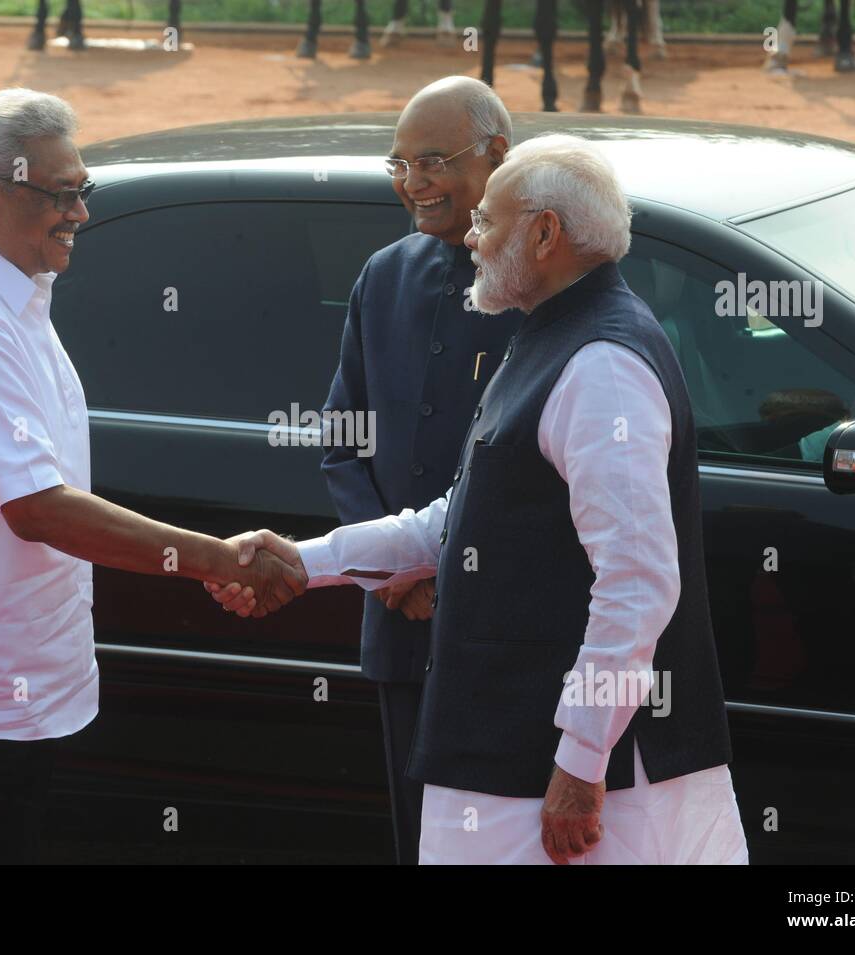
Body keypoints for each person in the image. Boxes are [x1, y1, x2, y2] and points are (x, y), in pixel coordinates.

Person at [212, 134, 748, 865]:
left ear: (546, 233)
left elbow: (638, 579)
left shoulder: (602, 367)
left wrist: (582, 763)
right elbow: (458, 521)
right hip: (511, 760)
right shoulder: (553, 336)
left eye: (488, 221)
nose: (470, 236)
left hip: (574, 787)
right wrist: (308, 562)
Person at [0, 88, 303, 864]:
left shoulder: (3, 289)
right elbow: (39, 508)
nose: (79, 213)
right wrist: (216, 557)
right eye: (59, 195)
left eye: (84, 191)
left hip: (2, 693)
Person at [319, 75, 521, 864]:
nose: (413, 185)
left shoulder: (541, 282)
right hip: (401, 626)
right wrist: (386, 567)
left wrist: (451, 571)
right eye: (398, 165)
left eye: (431, 162)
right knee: (420, 840)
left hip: (507, 634)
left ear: (497, 155)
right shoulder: (384, 275)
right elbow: (344, 438)